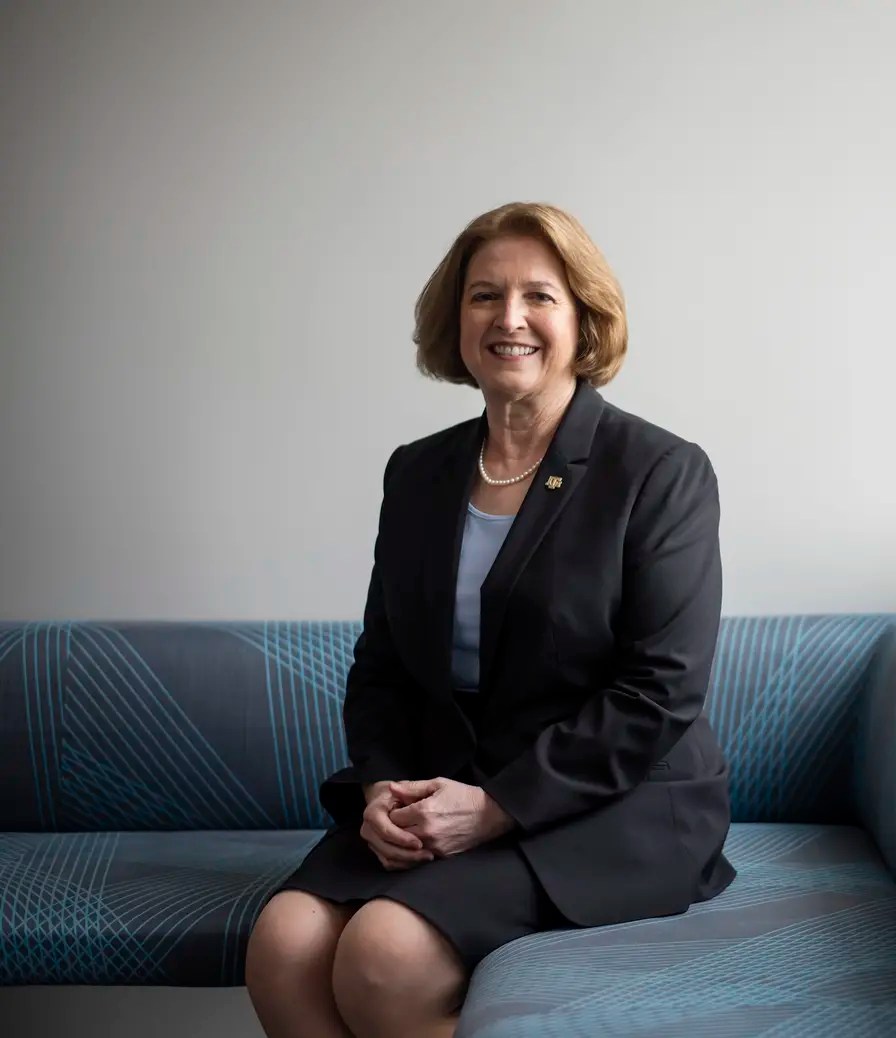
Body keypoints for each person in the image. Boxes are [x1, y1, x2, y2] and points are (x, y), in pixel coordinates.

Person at [245, 202, 735, 1038]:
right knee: (282, 944)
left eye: (539, 296)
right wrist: (381, 788)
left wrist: (499, 805)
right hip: (442, 790)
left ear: (583, 320)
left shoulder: (660, 473)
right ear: (456, 319)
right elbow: (383, 667)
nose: (510, 319)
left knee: (384, 955)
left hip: (606, 807)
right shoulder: (418, 473)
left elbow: (661, 691)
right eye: (484, 296)